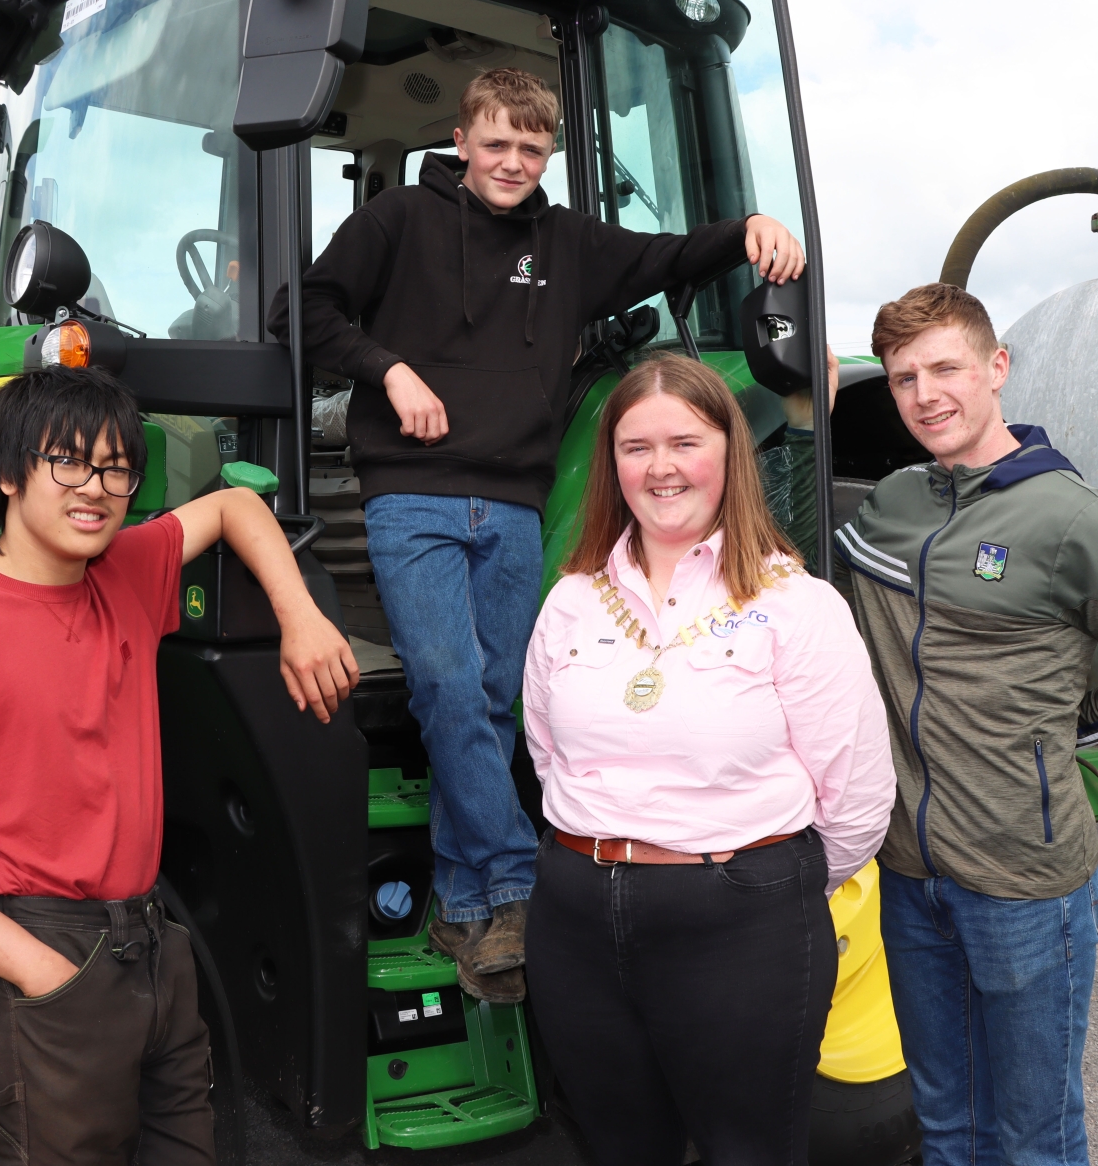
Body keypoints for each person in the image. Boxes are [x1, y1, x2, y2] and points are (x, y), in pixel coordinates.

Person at [269, 67, 806, 1002]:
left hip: (514, 502)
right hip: (414, 497)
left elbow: (666, 257)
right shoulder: (397, 219)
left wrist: (748, 229)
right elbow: (302, 312)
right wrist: (388, 369)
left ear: (547, 151)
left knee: (490, 699)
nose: (514, 162)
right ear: (464, 142)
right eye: (497, 144)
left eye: (532, 147)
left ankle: (461, 898)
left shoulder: (567, 243)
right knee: (444, 685)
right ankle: (517, 882)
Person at [0, 366, 358, 1166]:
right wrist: (44, 973)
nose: (96, 487)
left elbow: (233, 504)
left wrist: (301, 617)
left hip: (154, 945)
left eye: (117, 467)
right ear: (8, 472)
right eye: (68, 461)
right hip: (46, 956)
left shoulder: (124, 570)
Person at [829, 284, 1098, 1166]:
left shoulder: (1075, 519)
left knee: (1035, 1134)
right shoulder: (889, 506)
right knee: (948, 1123)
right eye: (903, 378)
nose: (926, 395)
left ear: (997, 369)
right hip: (911, 874)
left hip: (1024, 883)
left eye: (946, 368)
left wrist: (1038, 743)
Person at [521, 355, 894, 1165]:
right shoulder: (572, 600)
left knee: (749, 1153)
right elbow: (548, 754)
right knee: (620, 1149)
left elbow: (858, 795)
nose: (660, 468)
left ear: (729, 452)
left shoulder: (795, 605)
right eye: (634, 447)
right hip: (576, 915)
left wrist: (761, 888)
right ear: (609, 463)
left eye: (685, 442)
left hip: (739, 924)